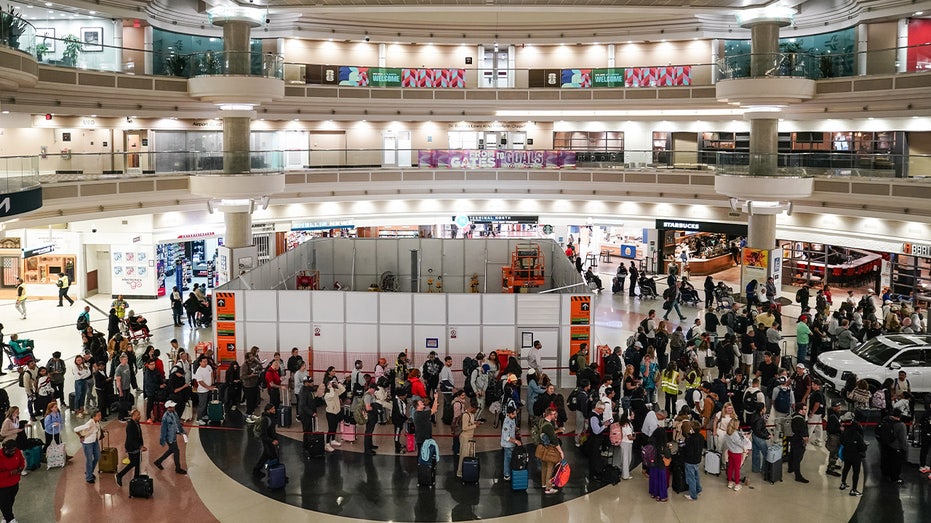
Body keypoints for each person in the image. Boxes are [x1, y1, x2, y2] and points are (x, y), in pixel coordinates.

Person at [839, 411, 868, 496]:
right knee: (856, 472)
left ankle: (843, 483)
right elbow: (862, 446)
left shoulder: (844, 433)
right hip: (855, 455)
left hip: (846, 453)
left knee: (846, 468)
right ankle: (854, 489)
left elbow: (842, 441)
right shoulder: (857, 434)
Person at [154, 400, 187, 474]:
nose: (174, 407)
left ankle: (158, 462)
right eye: (172, 407)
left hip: (173, 436)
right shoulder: (165, 417)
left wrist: (181, 431)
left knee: (171, 450)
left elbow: (177, 424)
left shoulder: (174, 413)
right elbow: (163, 430)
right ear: (168, 408)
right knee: (176, 451)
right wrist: (162, 440)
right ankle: (178, 469)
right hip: (169, 438)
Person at [115, 409, 146, 488]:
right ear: (133, 416)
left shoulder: (136, 423)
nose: (139, 416)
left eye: (139, 414)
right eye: (138, 415)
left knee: (137, 462)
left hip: (137, 446)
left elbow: (139, 435)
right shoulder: (130, 426)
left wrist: (141, 445)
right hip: (132, 447)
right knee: (133, 463)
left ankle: (136, 479)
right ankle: (120, 475)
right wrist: (139, 446)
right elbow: (131, 439)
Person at [539, 408, 564, 495]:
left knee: (544, 466)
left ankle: (544, 483)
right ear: (549, 415)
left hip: (542, 448)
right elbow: (553, 439)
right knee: (550, 467)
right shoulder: (548, 426)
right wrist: (560, 451)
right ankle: (548, 488)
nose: (555, 416)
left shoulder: (541, 421)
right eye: (553, 414)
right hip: (549, 449)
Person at [879, 407, 907, 484]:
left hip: (885, 444)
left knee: (886, 460)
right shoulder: (901, 425)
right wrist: (904, 449)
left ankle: (885, 473)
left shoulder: (885, 419)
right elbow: (903, 439)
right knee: (896, 464)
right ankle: (895, 478)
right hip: (896, 446)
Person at [74, 410, 103, 483]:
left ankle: (89, 472)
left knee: (97, 456)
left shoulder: (97, 422)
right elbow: (75, 429)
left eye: (100, 415)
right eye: (98, 415)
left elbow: (96, 430)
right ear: (94, 416)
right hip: (88, 443)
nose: (100, 417)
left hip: (94, 441)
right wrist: (80, 436)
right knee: (89, 460)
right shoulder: (89, 423)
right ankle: (89, 477)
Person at [251, 403, 278, 478]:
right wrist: (272, 440)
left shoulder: (271, 417)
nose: (274, 410)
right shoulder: (265, 420)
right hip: (267, 441)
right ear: (268, 410)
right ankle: (257, 470)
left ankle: (275, 474)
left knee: (269, 456)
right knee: (267, 455)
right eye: (272, 409)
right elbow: (263, 434)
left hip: (270, 440)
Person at [0, 438, 24, 523]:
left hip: (14, 482)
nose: (13, 453)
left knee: (10, 501)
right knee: (4, 502)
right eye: (10, 451)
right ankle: (10, 519)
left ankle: (5, 516)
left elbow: (22, 460)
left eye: (14, 450)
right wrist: (10, 473)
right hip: (2, 485)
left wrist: (21, 467)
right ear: (5, 449)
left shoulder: (16, 451)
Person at [456, 398, 480, 478]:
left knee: (469, 454)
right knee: (463, 455)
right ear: (472, 408)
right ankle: (460, 472)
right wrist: (475, 426)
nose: (476, 411)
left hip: (470, 437)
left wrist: (475, 423)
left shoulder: (472, 414)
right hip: (465, 437)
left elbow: (471, 423)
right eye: (475, 409)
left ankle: (467, 470)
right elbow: (464, 428)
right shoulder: (466, 415)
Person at [682, 420, 705, 501]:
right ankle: (698, 488)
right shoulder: (701, 437)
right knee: (696, 475)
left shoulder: (690, 439)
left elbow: (688, 451)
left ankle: (693, 495)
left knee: (690, 478)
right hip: (697, 459)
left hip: (689, 461)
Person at [788, 403, 810, 483]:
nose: (805, 411)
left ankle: (790, 468)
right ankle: (798, 476)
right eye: (804, 409)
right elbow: (803, 433)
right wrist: (805, 440)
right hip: (798, 441)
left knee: (792, 454)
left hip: (793, 439)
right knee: (798, 458)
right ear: (800, 410)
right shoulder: (800, 420)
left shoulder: (794, 416)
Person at [723, 418, 746, 491]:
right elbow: (742, 443)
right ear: (735, 425)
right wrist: (744, 437)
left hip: (730, 452)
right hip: (737, 454)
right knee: (737, 469)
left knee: (730, 468)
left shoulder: (727, 433)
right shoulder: (735, 434)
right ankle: (737, 484)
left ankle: (730, 482)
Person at [749, 401, 770, 474]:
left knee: (756, 453)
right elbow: (759, 430)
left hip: (754, 435)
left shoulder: (754, 415)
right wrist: (767, 435)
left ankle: (755, 469)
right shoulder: (760, 419)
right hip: (759, 438)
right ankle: (764, 470)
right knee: (766, 453)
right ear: (762, 409)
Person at [325, 379, 346, 452]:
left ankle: (333, 440)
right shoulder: (327, 395)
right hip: (330, 413)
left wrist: (337, 384)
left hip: (337, 412)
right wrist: (331, 387)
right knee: (330, 429)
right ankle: (327, 444)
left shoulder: (335, 392)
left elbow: (343, 389)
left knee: (335, 427)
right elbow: (332, 395)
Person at [500, 405, 521, 481]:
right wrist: (516, 441)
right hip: (507, 445)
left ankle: (509, 472)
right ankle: (506, 474)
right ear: (508, 414)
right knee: (507, 459)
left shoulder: (512, 419)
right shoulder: (506, 423)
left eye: (515, 413)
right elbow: (506, 437)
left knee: (510, 459)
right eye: (513, 414)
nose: (514, 415)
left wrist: (516, 429)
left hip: (511, 444)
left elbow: (512, 427)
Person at [241, 353, 263, 421]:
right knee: (249, 401)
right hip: (248, 386)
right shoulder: (245, 365)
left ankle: (252, 414)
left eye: (253, 356)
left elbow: (260, 367)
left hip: (255, 384)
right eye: (251, 356)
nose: (252, 357)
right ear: (247, 358)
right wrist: (251, 375)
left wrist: (257, 362)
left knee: (254, 400)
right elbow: (242, 376)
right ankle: (248, 415)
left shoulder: (255, 363)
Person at [825, 400, 843, 477]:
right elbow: (830, 428)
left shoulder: (835, 414)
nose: (840, 408)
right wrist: (840, 429)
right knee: (834, 453)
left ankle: (832, 465)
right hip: (834, 437)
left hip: (836, 436)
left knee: (835, 453)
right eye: (838, 407)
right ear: (834, 407)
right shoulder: (833, 417)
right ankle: (830, 469)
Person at [615, 409, 635, 480]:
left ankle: (624, 472)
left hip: (626, 443)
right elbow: (629, 437)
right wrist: (634, 438)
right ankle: (625, 475)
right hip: (626, 443)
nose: (633, 415)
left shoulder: (627, 423)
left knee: (626, 458)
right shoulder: (626, 425)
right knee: (626, 459)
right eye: (632, 414)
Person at [362, 383, 379, 455]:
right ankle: (367, 449)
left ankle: (370, 445)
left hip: (372, 415)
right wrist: (376, 408)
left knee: (370, 431)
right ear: (371, 388)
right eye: (374, 390)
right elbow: (368, 408)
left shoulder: (371, 394)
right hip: (369, 415)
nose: (375, 391)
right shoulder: (368, 396)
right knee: (368, 432)